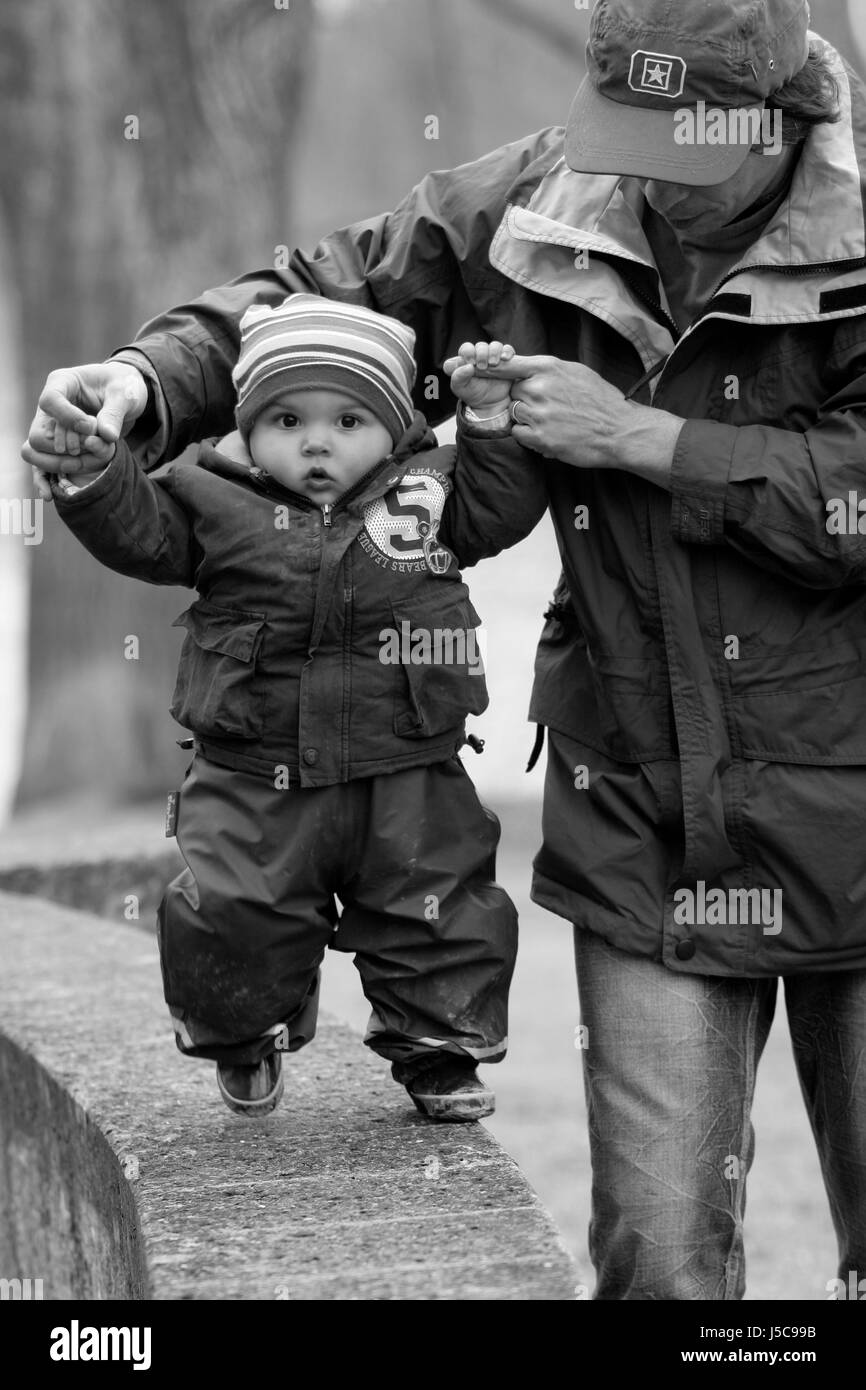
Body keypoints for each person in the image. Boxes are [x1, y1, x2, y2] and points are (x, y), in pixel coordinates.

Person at [24, 0, 866, 1298]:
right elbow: (307, 296)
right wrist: (143, 383)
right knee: (657, 1256)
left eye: (674, 152)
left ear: (769, 121)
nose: (633, 178)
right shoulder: (536, 201)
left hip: (852, 802)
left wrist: (638, 438)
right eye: (621, 135)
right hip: (643, 807)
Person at [47, 293, 547, 1121]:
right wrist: (91, 474)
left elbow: (504, 507)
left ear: (395, 429)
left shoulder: (432, 494)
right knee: (236, 911)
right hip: (252, 770)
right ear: (249, 424)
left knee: (436, 904)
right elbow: (141, 533)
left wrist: (489, 422)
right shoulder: (209, 493)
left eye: (350, 420)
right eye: (286, 418)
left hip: (408, 762)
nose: (316, 441)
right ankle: (246, 1029)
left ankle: (439, 1048)